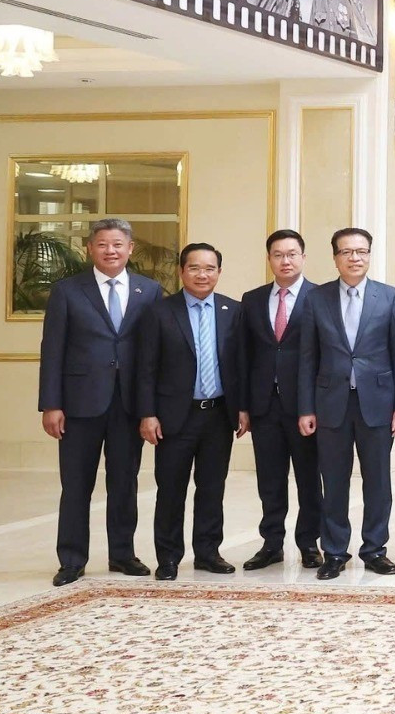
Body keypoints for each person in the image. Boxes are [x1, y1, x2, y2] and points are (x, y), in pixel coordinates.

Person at [39, 217, 160, 586]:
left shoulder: (149, 290)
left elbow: (153, 354)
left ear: (130, 248)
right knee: (76, 484)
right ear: (89, 248)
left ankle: (122, 554)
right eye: (103, 244)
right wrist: (51, 404)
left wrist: (150, 408)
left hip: (128, 405)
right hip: (78, 404)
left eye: (118, 244)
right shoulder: (67, 291)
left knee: (124, 483)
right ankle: (72, 558)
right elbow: (53, 350)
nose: (111, 251)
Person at [298, 227, 395, 581]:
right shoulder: (317, 298)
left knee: (377, 480)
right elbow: (307, 357)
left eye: (361, 251)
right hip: (330, 402)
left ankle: (375, 549)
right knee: (333, 480)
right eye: (346, 252)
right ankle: (334, 551)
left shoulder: (389, 297)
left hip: (378, 403)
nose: (354, 258)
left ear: (369, 255)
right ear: (335, 258)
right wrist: (306, 408)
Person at [135, 243, 248, 580]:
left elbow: (240, 364)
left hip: (218, 414)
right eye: (195, 268)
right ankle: (168, 557)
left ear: (219, 272)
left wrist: (242, 408)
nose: (203, 274)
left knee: (212, 487)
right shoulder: (160, 312)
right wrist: (147, 414)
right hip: (174, 416)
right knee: (171, 489)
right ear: (182, 271)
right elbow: (146, 368)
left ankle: (208, 552)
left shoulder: (233, 310)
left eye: (210, 268)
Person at [240, 229, 323, 571]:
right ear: (269, 259)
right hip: (264, 405)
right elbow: (243, 356)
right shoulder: (253, 299)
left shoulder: (321, 298)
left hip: (305, 406)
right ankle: (271, 543)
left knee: (308, 478)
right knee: (270, 480)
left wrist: (315, 404)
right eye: (278, 254)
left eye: (292, 254)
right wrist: (243, 406)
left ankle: (309, 543)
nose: (285, 260)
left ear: (303, 257)